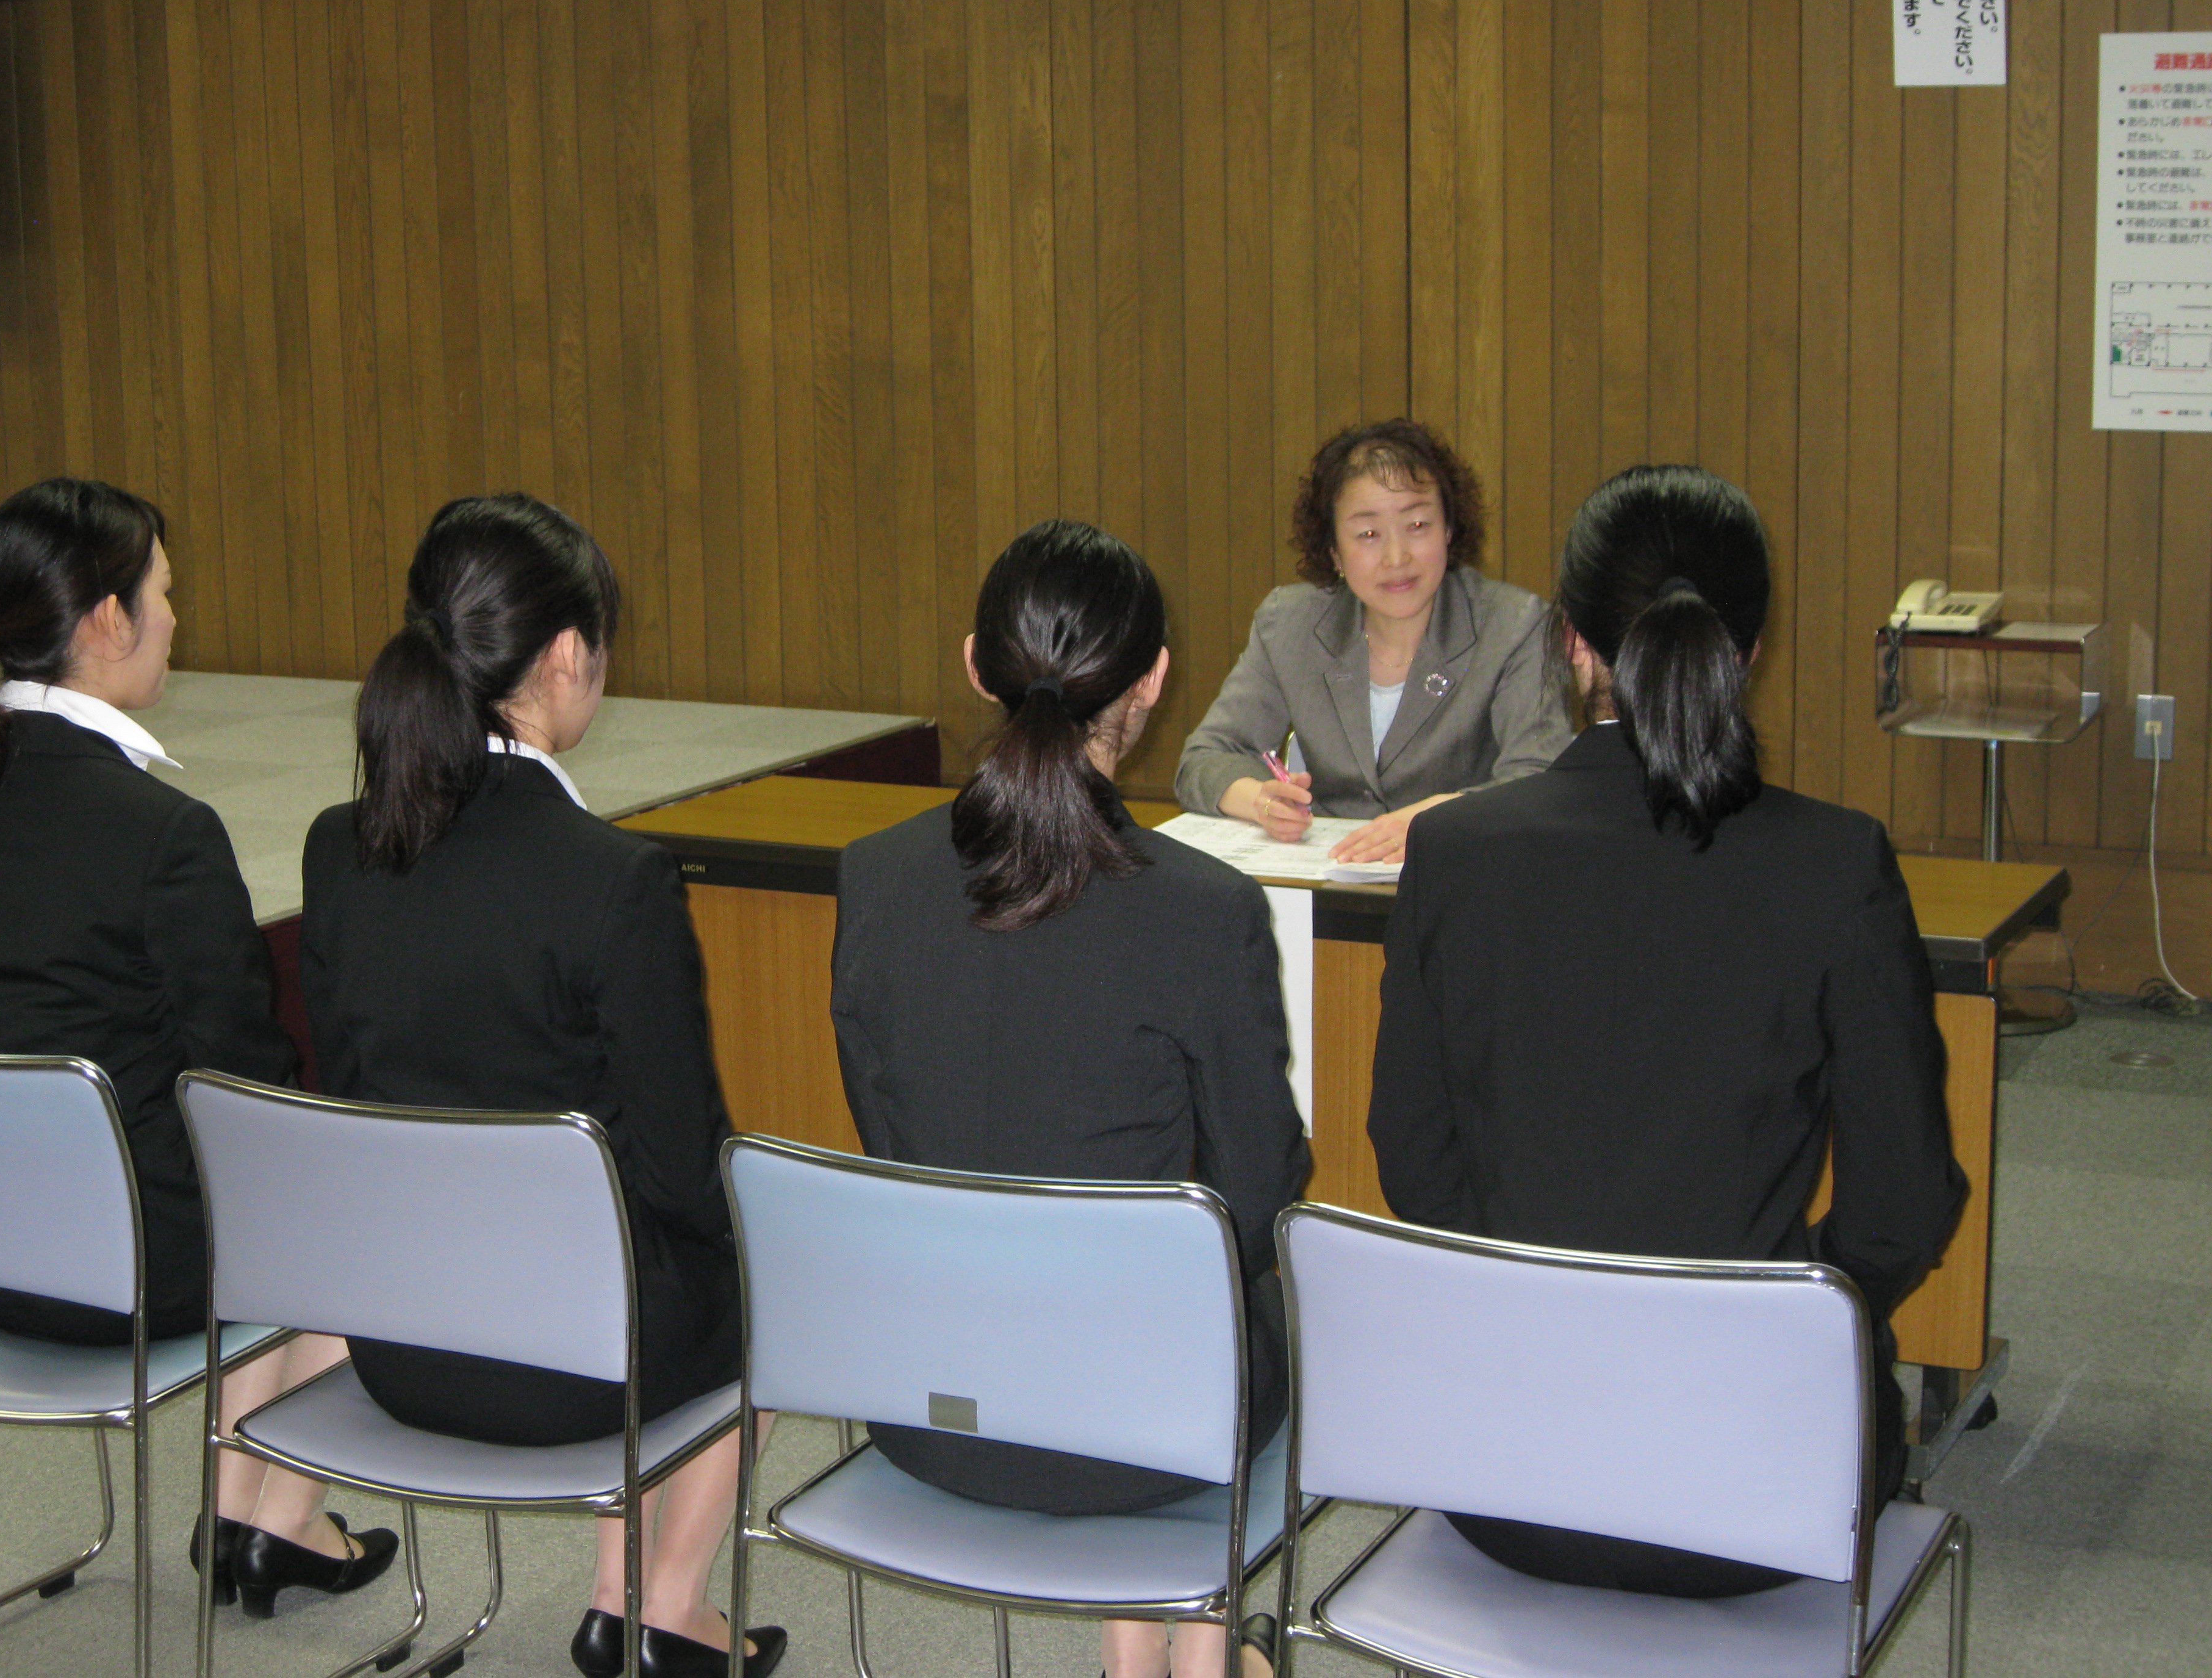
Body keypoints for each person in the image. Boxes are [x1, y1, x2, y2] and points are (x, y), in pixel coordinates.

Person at [1368, 463, 1967, 1597]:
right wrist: (1787, 1320)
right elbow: (1902, 1204)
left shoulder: (1459, 854)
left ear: (1571, 645)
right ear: (1750, 652)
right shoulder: (1837, 864)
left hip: (1509, 1484)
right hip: (1758, 1502)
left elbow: (1415, 1160)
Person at [0, 477, 397, 1618]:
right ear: (106, 623)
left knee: (259, 1192)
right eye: (166, 592)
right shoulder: (162, 834)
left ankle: (256, 1521)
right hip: (132, 1271)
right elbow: (249, 1083)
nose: (179, 617)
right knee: (360, 1195)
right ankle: (274, 1519)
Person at [297, 494, 782, 1678]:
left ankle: (635, 1602)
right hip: (577, 1371)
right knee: (761, 1280)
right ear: (565, 656)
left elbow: (351, 1100)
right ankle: (655, 1607)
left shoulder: (336, 846)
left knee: (639, 1246)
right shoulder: (612, 881)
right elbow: (680, 1166)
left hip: (402, 1342)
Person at [832, 519, 1310, 1678]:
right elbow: (1262, 1188)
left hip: (936, 1415)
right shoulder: (1202, 911)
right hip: (1154, 1436)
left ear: (973, 666)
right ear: (1150, 681)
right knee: (1221, 1289)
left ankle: (1146, 1659)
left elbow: (889, 1133)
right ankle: (1197, 1658)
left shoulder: (876, 879)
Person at [1175, 417, 1571, 864]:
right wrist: (1263, 803)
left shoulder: (1515, 625)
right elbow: (1204, 759)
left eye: (1418, 525)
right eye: (1368, 534)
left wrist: (1440, 819)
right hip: (1331, 884)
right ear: (1334, 552)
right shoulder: (1289, 623)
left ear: (1449, 529)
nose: (1396, 557)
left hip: (1467, 878)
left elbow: (1543, 780)